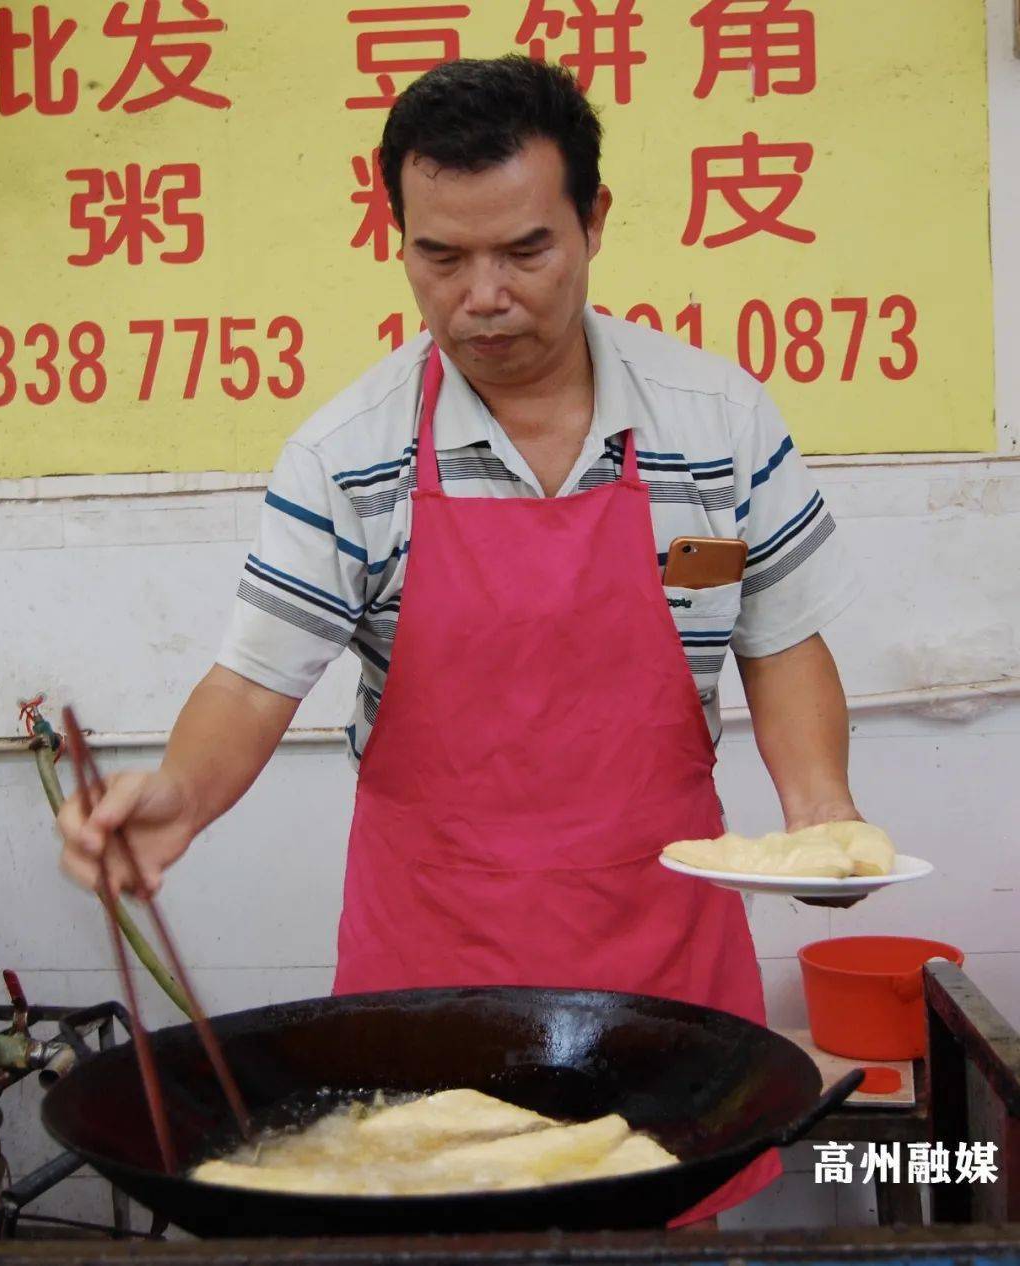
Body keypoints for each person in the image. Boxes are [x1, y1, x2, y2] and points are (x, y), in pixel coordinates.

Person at [58, 56, 863, 1225]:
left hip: (661, 980)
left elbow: (780, 642)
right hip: (423, 984)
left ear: (592, 222)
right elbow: (252, 679)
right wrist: (177, 798)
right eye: (442, 257)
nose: (483, 295)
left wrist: (824, 817)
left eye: (524, 251)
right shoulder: (348, 456)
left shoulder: (718, 427)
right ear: (400, 242)